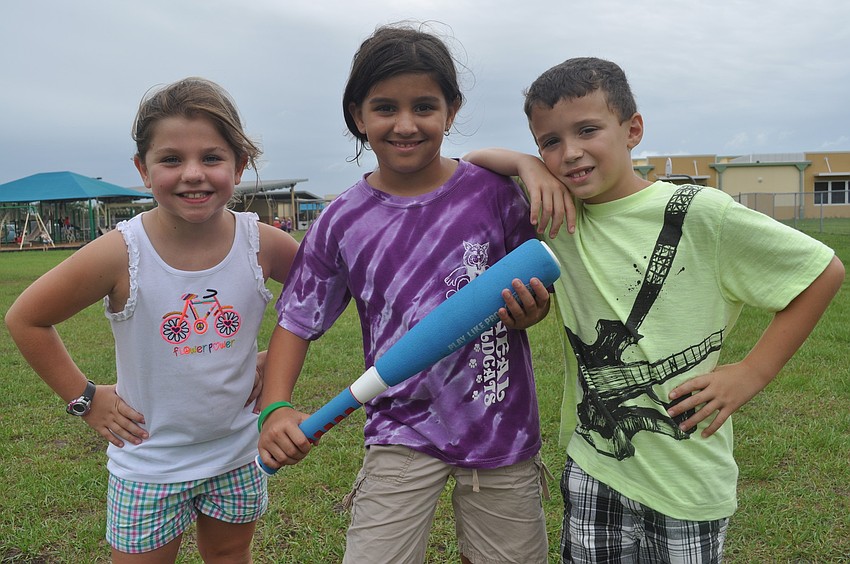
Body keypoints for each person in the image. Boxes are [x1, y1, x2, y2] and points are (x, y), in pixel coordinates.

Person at [465, 57, 845, 563]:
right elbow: (471, 160)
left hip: (687, 478)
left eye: (587, 130)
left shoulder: (700, 213)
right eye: (550, 141)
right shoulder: (557, 213)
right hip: (594, 464)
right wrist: (525, 165)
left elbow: (822, 272)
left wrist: (753, 371)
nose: (570, 153)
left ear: (633, 130)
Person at [257, 23, 553, 564]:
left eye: (424, 106)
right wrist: (275, 407)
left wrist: (530, 311)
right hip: (399, 426)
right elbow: (296, 320)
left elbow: (530, 290)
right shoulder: (341, 220)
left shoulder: (494, 195)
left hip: (499, 425)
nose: (405, 124)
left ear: (451, 111)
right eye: (385, 108)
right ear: (358, 115)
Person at [5, 77, 299, 563]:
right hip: (148, 463)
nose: (193, 174)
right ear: (143, 169)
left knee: (230, 555)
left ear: (239, 164)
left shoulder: (263, 243)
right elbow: (26, 319)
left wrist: (278, 357)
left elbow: (326, 293)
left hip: (237, 454)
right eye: (171, 159)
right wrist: (84, 398)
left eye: (212, 157)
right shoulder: (120, 252)